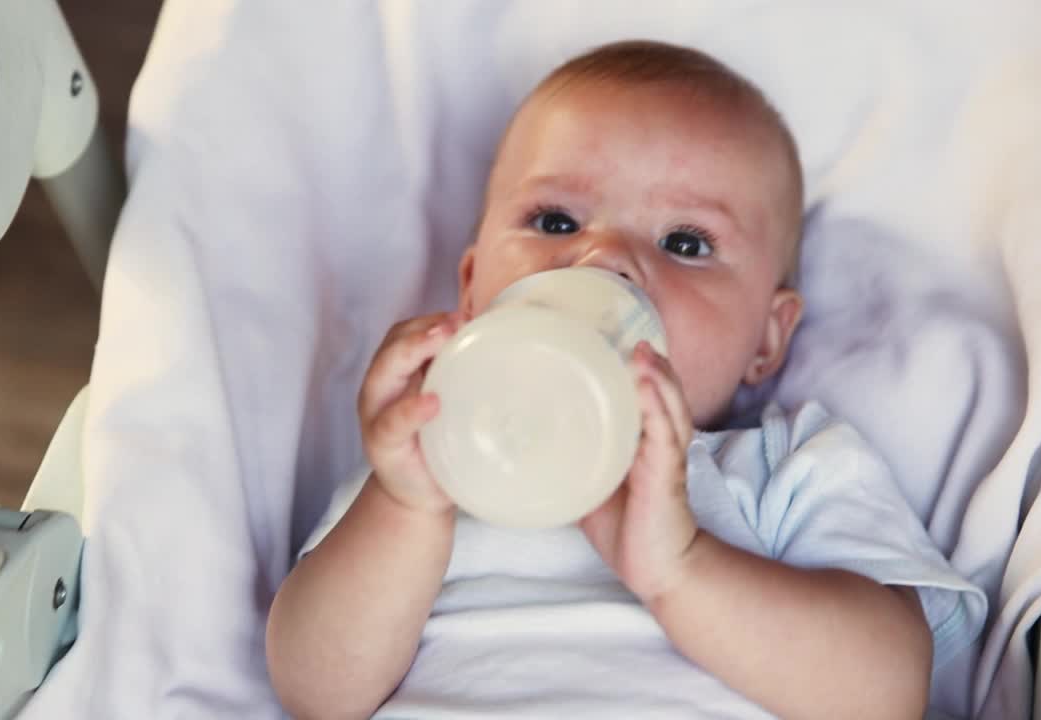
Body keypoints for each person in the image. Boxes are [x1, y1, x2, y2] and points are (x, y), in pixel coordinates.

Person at [265, 40, 986, 719]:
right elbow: (316, 691)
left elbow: (886, 692)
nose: (603, 258)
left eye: (684, 242)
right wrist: (406, 505)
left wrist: (682, 569)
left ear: (766, 341)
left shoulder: (785, 468)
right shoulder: (432, 460)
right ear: (473, 289)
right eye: (554, 220)